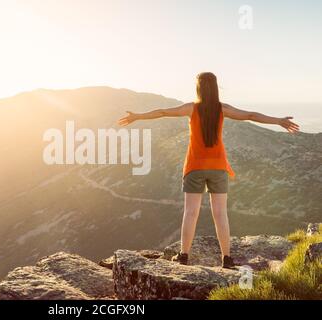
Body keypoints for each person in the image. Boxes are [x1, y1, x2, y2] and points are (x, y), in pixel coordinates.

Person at [118, 72, 299, 268]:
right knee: (221, 214)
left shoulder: (191, 108)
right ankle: (227, 258)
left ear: (198, 88)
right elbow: (250, 115)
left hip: (195, 167)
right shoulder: (222, 109)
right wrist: (278, 121)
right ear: (215, 87)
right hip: (218, 167)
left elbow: (162, 112)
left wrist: (137, 117)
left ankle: (184, 256)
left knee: (190, 213)